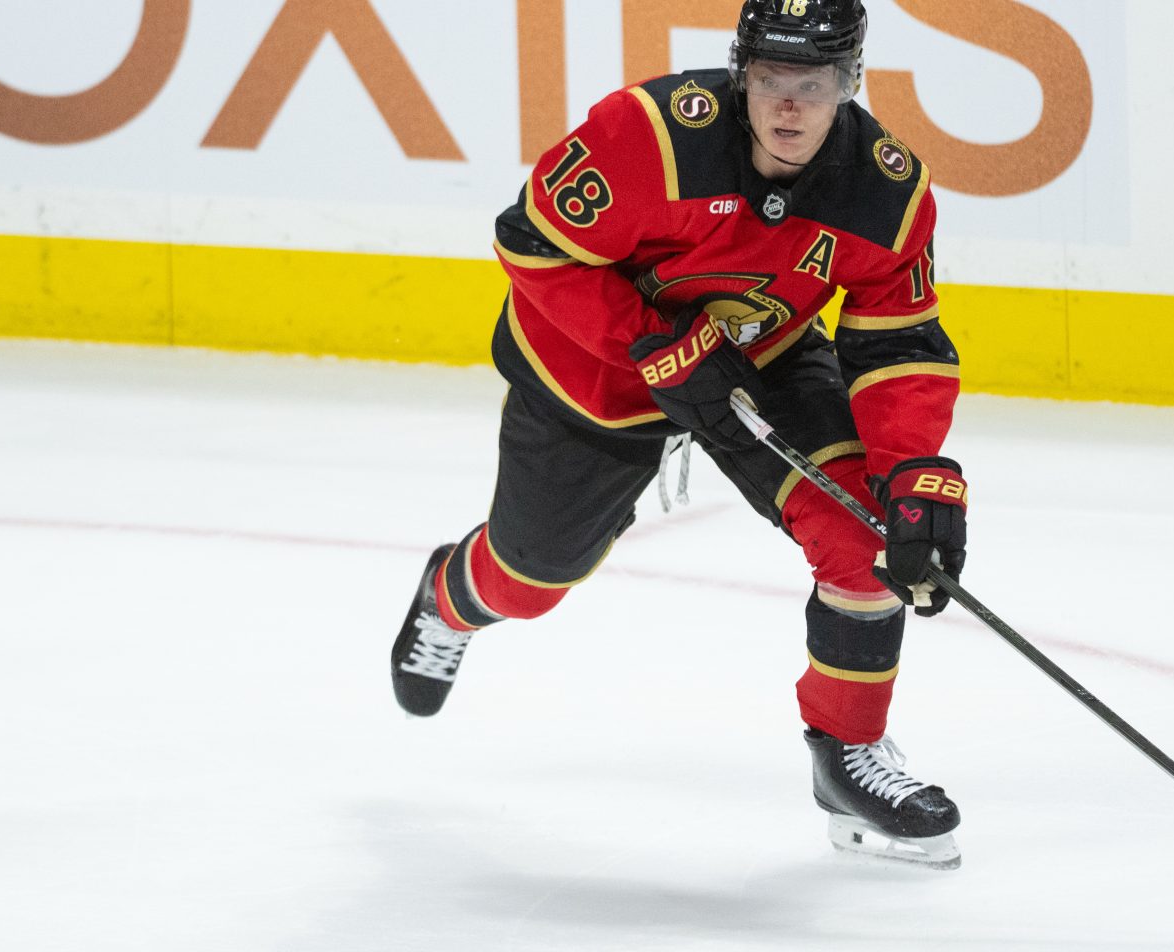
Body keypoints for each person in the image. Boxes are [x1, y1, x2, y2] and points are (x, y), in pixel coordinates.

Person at [389, 0, 970, 869]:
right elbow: (532, 245)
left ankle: (846, 753)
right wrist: (648, 344)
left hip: (758, 360)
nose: (788, 108)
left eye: (811, 85)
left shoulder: (885, 190)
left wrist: (916, 472)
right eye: (771, 81)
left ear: (850, 83)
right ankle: (451, 595)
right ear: (742, 74)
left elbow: (901, 342)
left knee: (866, 534)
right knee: (533, 578)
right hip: (594, 372)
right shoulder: (648, 137)